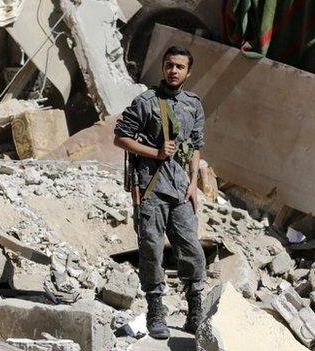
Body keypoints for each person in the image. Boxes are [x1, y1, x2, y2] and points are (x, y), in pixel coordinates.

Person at [113, 45, 207, 339]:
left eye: (180, 66)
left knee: (192, 249)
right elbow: (120, 138)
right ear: (163, 68)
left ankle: (195, 310)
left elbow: (196, 145)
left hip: (180, 189)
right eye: (169, 65)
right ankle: (156, 311)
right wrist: (155, 152)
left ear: (188, 71)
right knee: (151, 251)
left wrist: (193, 182)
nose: (174, 71)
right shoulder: (146, 102)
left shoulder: (193, 104)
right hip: (151, 188)